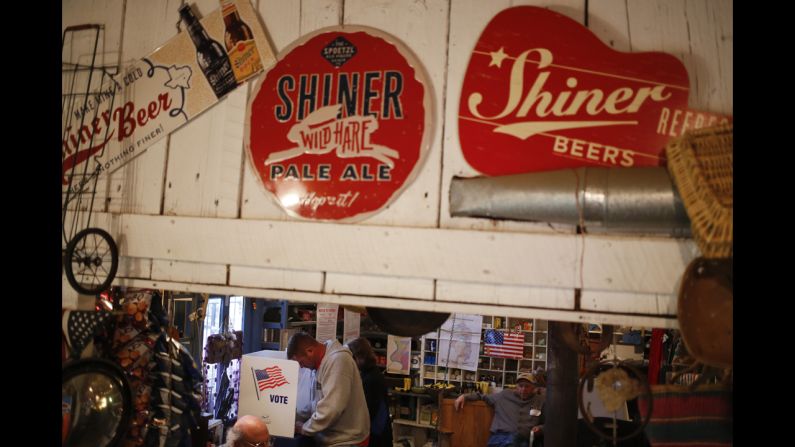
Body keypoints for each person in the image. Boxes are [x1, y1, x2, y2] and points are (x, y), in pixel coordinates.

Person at [286, 332, 370, 446]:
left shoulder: (338, 361)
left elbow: (331, 409)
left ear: (310, 351)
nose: (301, 366)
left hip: (347, 440)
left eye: (301, 362)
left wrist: (304, 428)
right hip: (331, 438)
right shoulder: (319, 365)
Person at [454, 372, 545, 447]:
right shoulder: (504, 395)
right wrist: (465, 396)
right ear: (516, 386)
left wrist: (540, 428)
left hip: (522, 440)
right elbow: (482, 396)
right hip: (499, 437)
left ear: (533, 387)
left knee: (516, 441)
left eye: (527, 386)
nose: (523, 389)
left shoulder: (540, 401)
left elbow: (549, 423)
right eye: (521, 386)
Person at [346, 337, 394, 447]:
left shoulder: (371, 379)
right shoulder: (370, 373)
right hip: (379, 432)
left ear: (358, 357)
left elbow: (367, 410)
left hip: (377, 435)